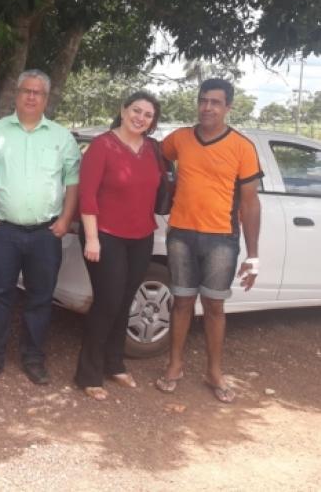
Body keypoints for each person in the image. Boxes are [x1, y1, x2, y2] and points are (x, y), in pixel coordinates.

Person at [0, 69, 81, 386]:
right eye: (26, 91)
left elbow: (72, 182)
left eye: (38, 92)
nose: (31, 97)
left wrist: (65, 219)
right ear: (17, 95)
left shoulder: (61, 137)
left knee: (40, 297)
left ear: (46, 98)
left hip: (46, 233)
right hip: (2, 231)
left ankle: (33, 357)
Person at [155, 78, 262, 404]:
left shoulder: (242, 147)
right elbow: (157, 156)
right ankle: (175, 366)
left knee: (215, 306)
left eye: (215, 102)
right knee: (182, 301)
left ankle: (214, 372)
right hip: (181, 235)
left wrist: (253, 256)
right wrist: (167, 186)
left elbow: (250, 203)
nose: (207, 107)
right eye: (203, 100)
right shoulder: (180, 139)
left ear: (228, 106)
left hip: (221, 239)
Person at [75, 92, 162, 401]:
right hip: (104, 235)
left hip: (141, 235)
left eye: (148, 115)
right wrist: (92, 238)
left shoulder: (152, 149)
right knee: (108, 302)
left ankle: (115, 364)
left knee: (126, 301)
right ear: (123, 111)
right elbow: (87, 195)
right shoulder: (103, 146)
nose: (140, 118)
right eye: (136, 110)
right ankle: (88, 374)